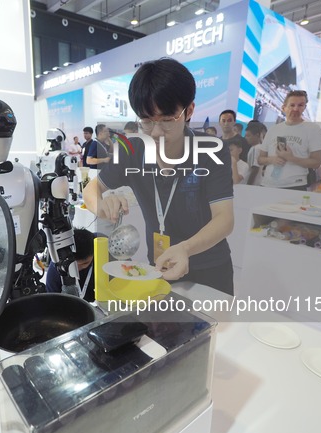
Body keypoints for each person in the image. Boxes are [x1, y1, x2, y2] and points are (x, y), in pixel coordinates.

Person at [83, 57, 234, 295]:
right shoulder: (132, 150)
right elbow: (90, 189)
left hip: (209, 266)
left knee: (218, 330)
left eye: (166, 121)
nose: (155, 132)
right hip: (160, 266)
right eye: (146, 121)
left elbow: (224, 219)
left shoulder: (211, 149)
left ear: (188, 111)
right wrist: (101, 205)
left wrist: (185, 248)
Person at [257, 90, 321, 191]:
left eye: (300, 105)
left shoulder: (313, 129)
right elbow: (260, 159)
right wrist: (272, 160)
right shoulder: (273, 129)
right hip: (267, 184)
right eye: (292, 105)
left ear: (304, 107)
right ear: (284, 108)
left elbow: (316, 162)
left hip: (295, 185)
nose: (296, 109)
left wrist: (291, 158)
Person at [46, 228, 96, 302]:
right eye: (74, 264)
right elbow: (51, 302)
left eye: (85, 263)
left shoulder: (101, 248)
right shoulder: (56, 271)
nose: (77, 269)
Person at [245, 121, 267, 186]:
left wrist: (249, 185)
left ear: (257, 135)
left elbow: (255, 168)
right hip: (258, 182)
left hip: (254, 183)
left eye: (248, 136)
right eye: (245, 136)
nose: (246, 138)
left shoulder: (255, 148)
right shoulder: (260, 147)